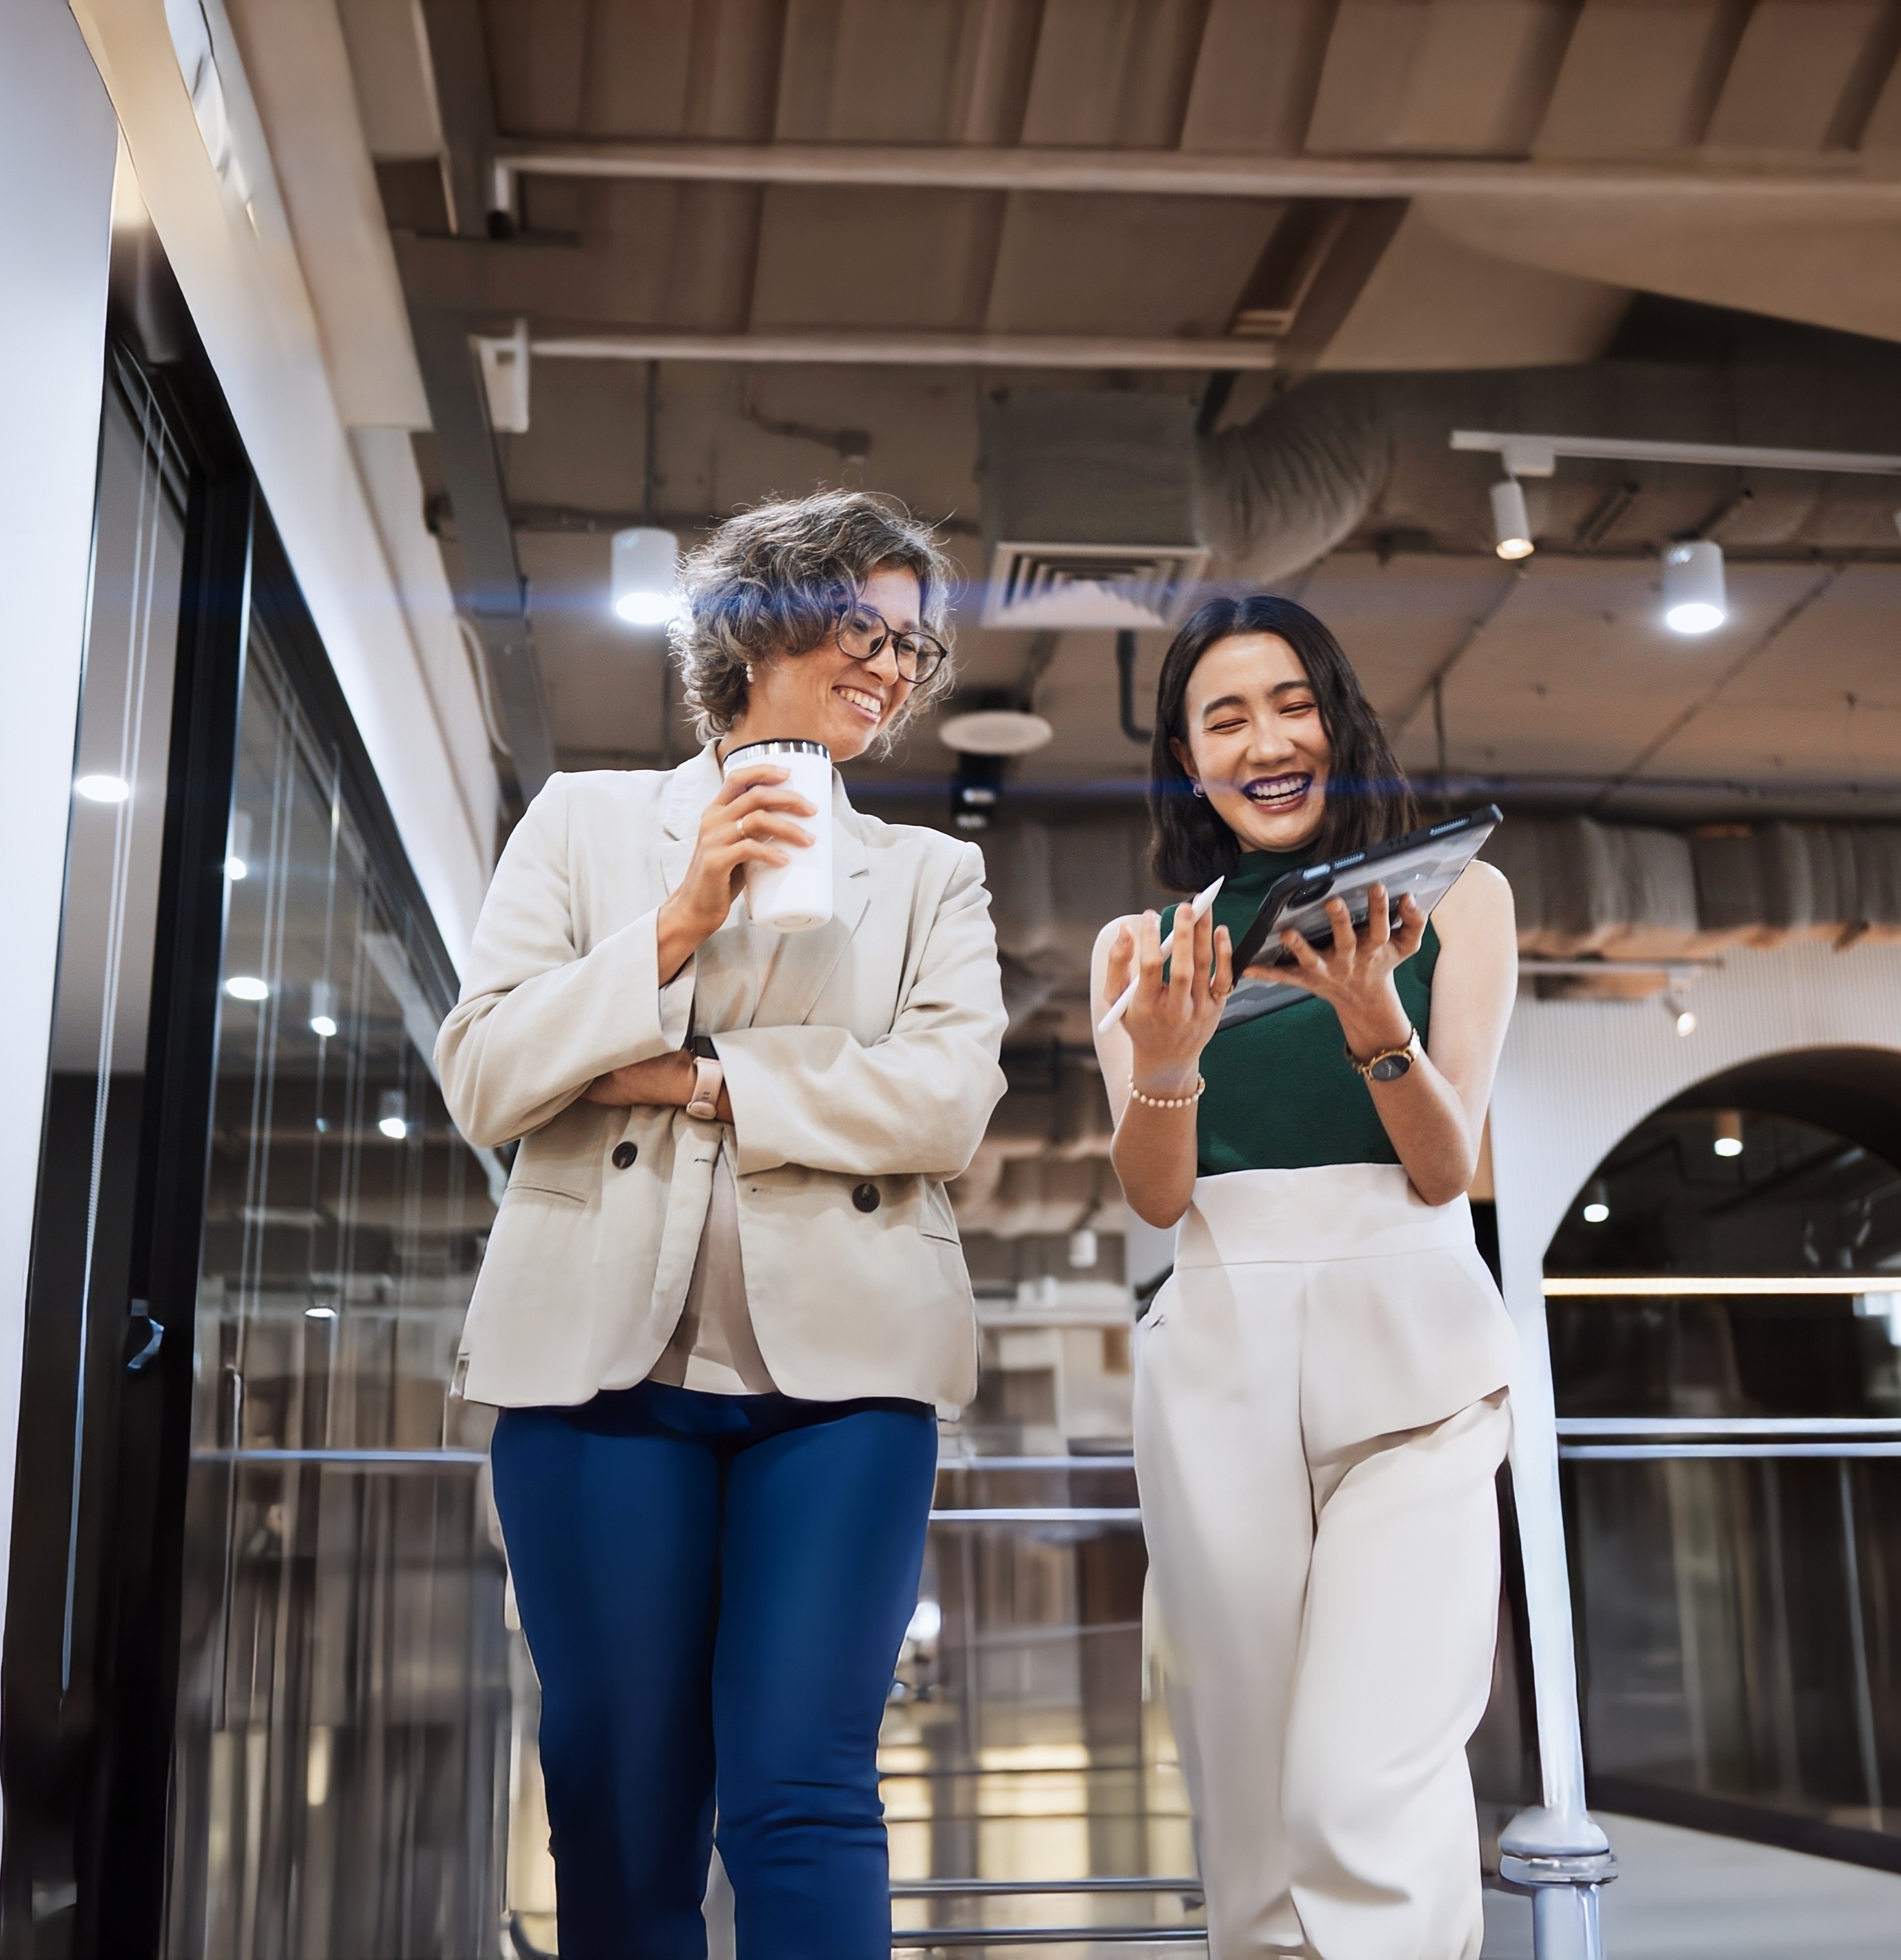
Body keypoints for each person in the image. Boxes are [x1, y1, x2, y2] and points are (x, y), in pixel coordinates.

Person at [436, 490, 1007, 1959]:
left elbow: (942, 1108)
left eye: (912, 649)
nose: (891, 669)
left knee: (801, 1790)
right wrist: (678, 920)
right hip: (590, 1380)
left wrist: (695, 1078)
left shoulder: (931, 875)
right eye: (863, 631)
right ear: (758, 623)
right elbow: (488, 1075)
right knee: (621, 1808)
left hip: (847, 1386)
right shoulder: (583, 825)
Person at [1092, 593, 1520, 1959]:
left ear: (1337, 721)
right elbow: (1157, 1198)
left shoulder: (1460, 900)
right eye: (1223, 717)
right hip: (1219, 1347)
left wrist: (1372, 1019)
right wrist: (1165, 1066)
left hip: (1412, 1347)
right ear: (1186, 760)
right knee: (1251, 1816)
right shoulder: (1141, 948)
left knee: (1360, 1788)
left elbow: (1446, 1168)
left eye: (1291, 704)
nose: (1265, 739)